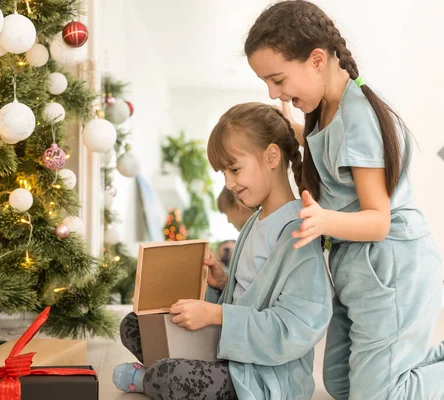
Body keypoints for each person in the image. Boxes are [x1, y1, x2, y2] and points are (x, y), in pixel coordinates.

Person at [244, 2, 444, 399]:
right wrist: (295, 131)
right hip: (357, 271)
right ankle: (409, 357)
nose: (273, 92)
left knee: (379, 395)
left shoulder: (357, 118)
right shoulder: (327, 110)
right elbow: (332, 158)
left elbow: (378, 221)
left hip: (391, 269)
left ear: (317, 59)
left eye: (278, 79)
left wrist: (323, 221)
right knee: (338, 382)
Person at [112, 102, 332, 399]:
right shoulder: (255, 221)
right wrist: (222, 283)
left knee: (171, 375)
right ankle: (163, 372)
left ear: (271, 156)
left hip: (263, 376)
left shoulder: (300, 232)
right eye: (223, 173)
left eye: (235, 169)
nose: (228, 183)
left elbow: (295, 328)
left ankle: (150, 378)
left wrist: (218, 315)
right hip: (229, 354)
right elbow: (251, 295)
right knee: (134, 324)